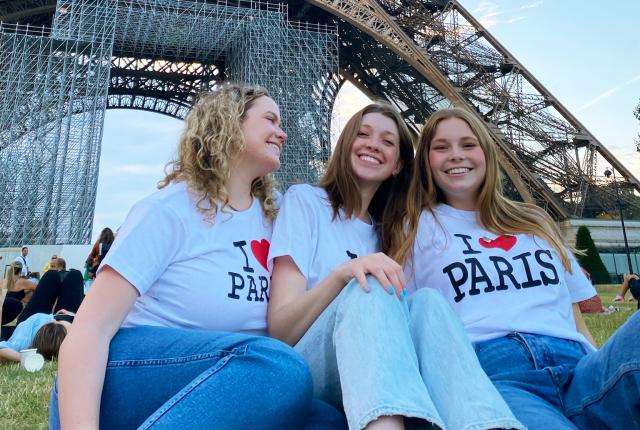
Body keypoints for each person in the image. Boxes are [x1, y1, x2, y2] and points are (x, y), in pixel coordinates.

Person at [53, 84, 346, 430]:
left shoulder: (277, 219)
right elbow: (90, 330)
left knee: (326, 421)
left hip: (227, 386)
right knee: (280, 368)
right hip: (123, 384)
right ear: (230, 123)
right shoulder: (169, 211)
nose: (283, 133)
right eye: (270, 120)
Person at [268, 103, 521, 430]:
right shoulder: (305, 201)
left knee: (428, 301)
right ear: (346, 145)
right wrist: (344, 273)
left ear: (399, 164)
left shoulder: (392, 234)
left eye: (388, 141)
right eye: (363, 134)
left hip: (374, 373)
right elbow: (281, 331)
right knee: (368, 284)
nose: (373, 144)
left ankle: (487, 425)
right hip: (309, 369)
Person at [397, 107, 640, 429]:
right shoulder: (413, 228)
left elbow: (573, 317)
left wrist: (600, 365)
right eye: (441, 147)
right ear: (425, 161)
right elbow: (408, 323)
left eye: (468, 145)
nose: (456, 155)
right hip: (497, 377)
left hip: (580, 368)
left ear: (487, 152)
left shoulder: (534, 221)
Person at [0, 312, 71, 362]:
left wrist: (25, 358)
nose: (54, 320)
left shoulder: (23, 343)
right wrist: (25, 358)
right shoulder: (23, 342)